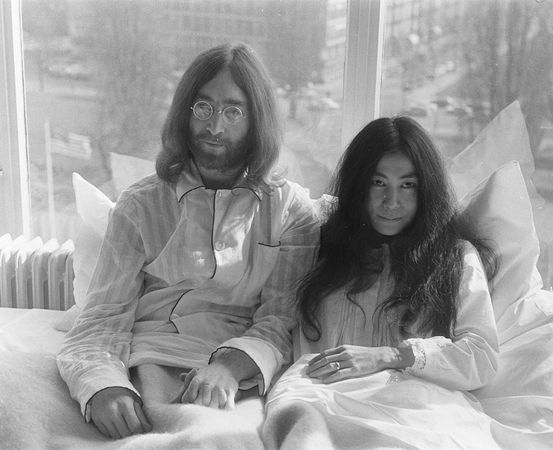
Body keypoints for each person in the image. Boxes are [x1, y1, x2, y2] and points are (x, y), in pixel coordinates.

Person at [57, 43, 319, 440]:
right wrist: (102, 386)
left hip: (232, 373)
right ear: (185, 111)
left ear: (257, 120)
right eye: (204, 107)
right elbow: (103, 317)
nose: (215, 127)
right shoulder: (140, 205)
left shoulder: (291, 211)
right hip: (137, 361)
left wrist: (229, 367)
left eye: (233, 111)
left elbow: (280, 321)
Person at [262, 116, 500, 449]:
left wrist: (390, 356)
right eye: (378, 182)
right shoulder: (318, 244)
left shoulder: (453, 258)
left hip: (411, 408)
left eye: (408, 185)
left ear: (426, 189)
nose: (391, 201)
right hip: (315, 399)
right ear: (358, 185)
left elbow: (482, 356)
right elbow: (273, 321)